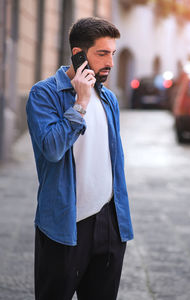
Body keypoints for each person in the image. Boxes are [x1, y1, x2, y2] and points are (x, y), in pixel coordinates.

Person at [26, 17, 133, 300]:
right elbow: (51, 148)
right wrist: (80, 103)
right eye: (101, 53)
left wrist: (119, 219)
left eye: (112, 53)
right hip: (64, 225)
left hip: (110, 224)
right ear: (78, 54)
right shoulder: (43, 94)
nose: (109, 61)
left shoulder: (109, 99)